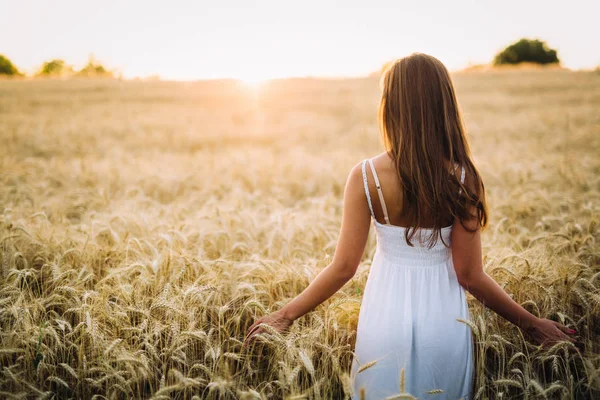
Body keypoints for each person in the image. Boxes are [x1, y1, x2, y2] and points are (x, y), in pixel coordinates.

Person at [243, 53, 577, 399]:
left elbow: (343, 267)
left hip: (383, 318)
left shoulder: (366, 177)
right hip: (445, 324)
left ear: (391, 106)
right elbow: (469, 275)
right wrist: (533, 324)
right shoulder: (464, 178)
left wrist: (285, 315)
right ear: (444, 105)